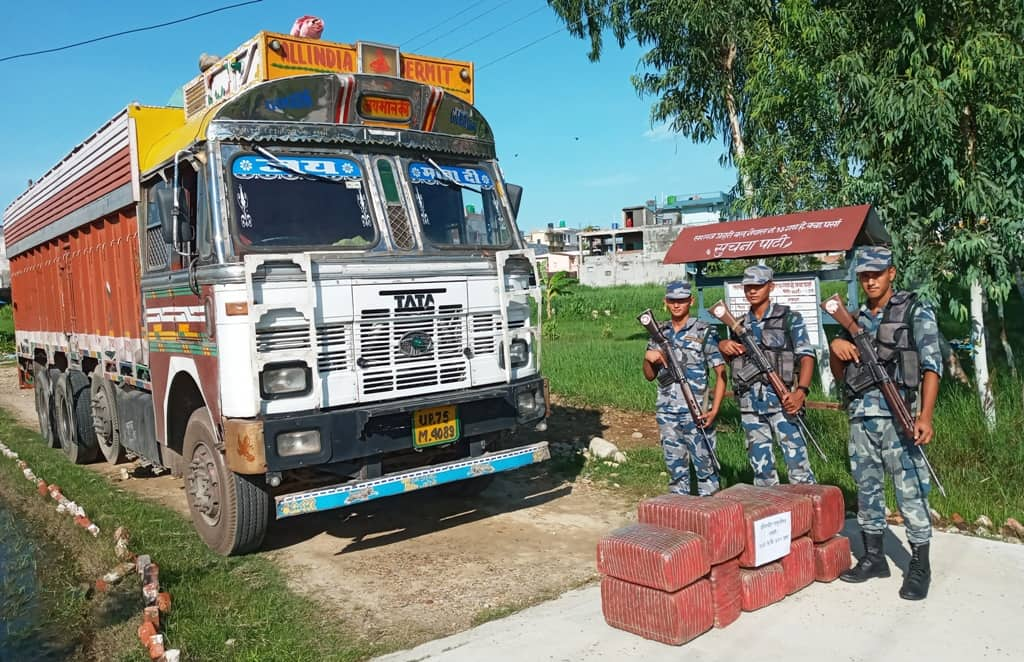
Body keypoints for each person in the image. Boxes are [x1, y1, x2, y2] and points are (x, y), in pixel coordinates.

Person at [829, 246, 941, 601]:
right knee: (867, 490)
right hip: (862, 417)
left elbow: (931, 365)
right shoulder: (854, 317)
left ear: (892, 273)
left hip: (900, 418)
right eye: (864, 275)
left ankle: (919, 565)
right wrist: (837, 350)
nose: (871, 280)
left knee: (910, 492)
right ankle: (874, 557)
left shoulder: (913, 309)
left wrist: (925, 416)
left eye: (877, 273)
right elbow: (840, 374)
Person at [718, 265, 817, 486]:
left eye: (758, 286)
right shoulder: (739, 324)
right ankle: (770, 516)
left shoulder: (789, 318)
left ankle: (807, 515)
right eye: (748, 287)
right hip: (750, 405)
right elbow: (735, 363)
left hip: (784, 402)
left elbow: (806, 356)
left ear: (770, 287)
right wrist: (725, 346)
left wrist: (801, 392)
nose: (752, 291)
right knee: (762, 471)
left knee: (798, 467)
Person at [642, 280, 727, 496]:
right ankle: (681, 515)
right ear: (665, 302)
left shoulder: (704, 331)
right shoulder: (658, 332)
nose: (677, 305)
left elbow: (721, 374)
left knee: (706, 468)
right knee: (675, 469)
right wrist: (648, 358)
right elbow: (649, 376)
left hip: (696, 411)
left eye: (681, 300)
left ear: (691, 301)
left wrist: (714, 410)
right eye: (672, 301)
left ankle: (712, 516)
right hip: (667, 411)